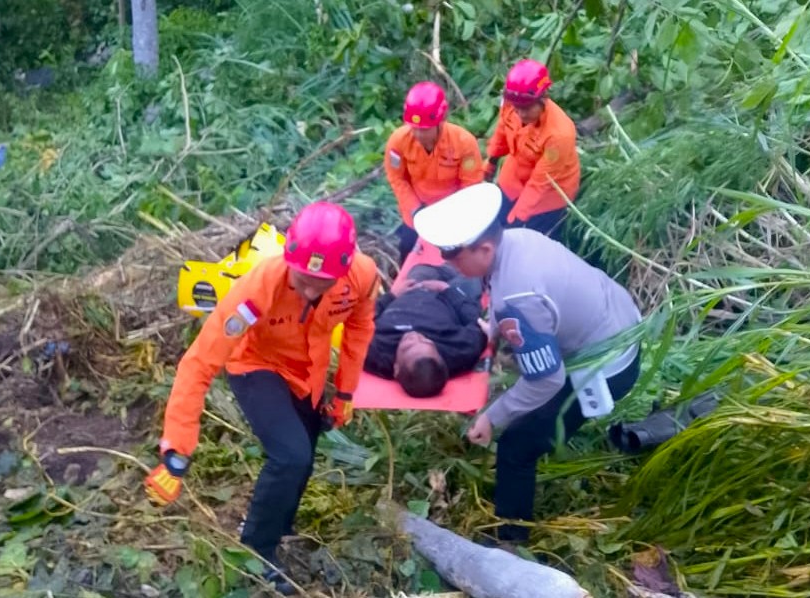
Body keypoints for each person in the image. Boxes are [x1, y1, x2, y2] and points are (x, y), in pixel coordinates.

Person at [144, 203, 379, 595]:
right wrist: (177, 450)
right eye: (301, 278)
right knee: (290, 455)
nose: (306, 289)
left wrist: (346, 392)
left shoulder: (362, 276)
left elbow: (359, 327)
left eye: (319, 283)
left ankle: (281, 525)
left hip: (309, 373)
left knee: (304, 455)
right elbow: (200, 361)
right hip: (256, 365)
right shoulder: (261, 285)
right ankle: (256, 553)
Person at [413, 182, 642, 545]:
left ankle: (510, 541)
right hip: (617, 319)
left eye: (453, 256)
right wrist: (495, 329)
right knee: (526, 404)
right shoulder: (517, 239)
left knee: (516, 446)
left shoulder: (519, 295)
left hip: (607, 365)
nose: (447, 263)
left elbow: (546, 380)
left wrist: (493, 416)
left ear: (485, 248)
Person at [385, 81, 484, 264]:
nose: (419, 135)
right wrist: (415, 210)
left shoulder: (464, 143)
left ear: (440, 121)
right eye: (414, 129)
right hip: (416, 211)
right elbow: (397, 178)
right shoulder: (398, 142)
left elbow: (470, 186)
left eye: (425, 129)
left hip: (452, 211)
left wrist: (450, 217)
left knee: (458, 257)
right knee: (408, 251)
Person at [483, 59, 580, 241]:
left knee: (520, 239)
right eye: (517, 108)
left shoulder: (559, 135)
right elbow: (502, 131)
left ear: (543, 98)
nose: (520, 114)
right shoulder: (512, 103)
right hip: (514, 176)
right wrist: (490, 163)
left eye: (526, 109)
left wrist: (517, 219)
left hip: (548, 194)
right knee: (492, 225)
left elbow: (540, 183)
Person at [363, 264, 487, 397]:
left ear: (396, 368)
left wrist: (392, 296)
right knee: (474, 271)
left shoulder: (373, 352)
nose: (415, 335)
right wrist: (447, 290)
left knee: (420, 270)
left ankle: (450, 266)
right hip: (449, 296)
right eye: (426, 341)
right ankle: (454, 265)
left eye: (408, 347)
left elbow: (361, 318)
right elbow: (476, 319)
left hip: (410, 291)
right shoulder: (460, 350)